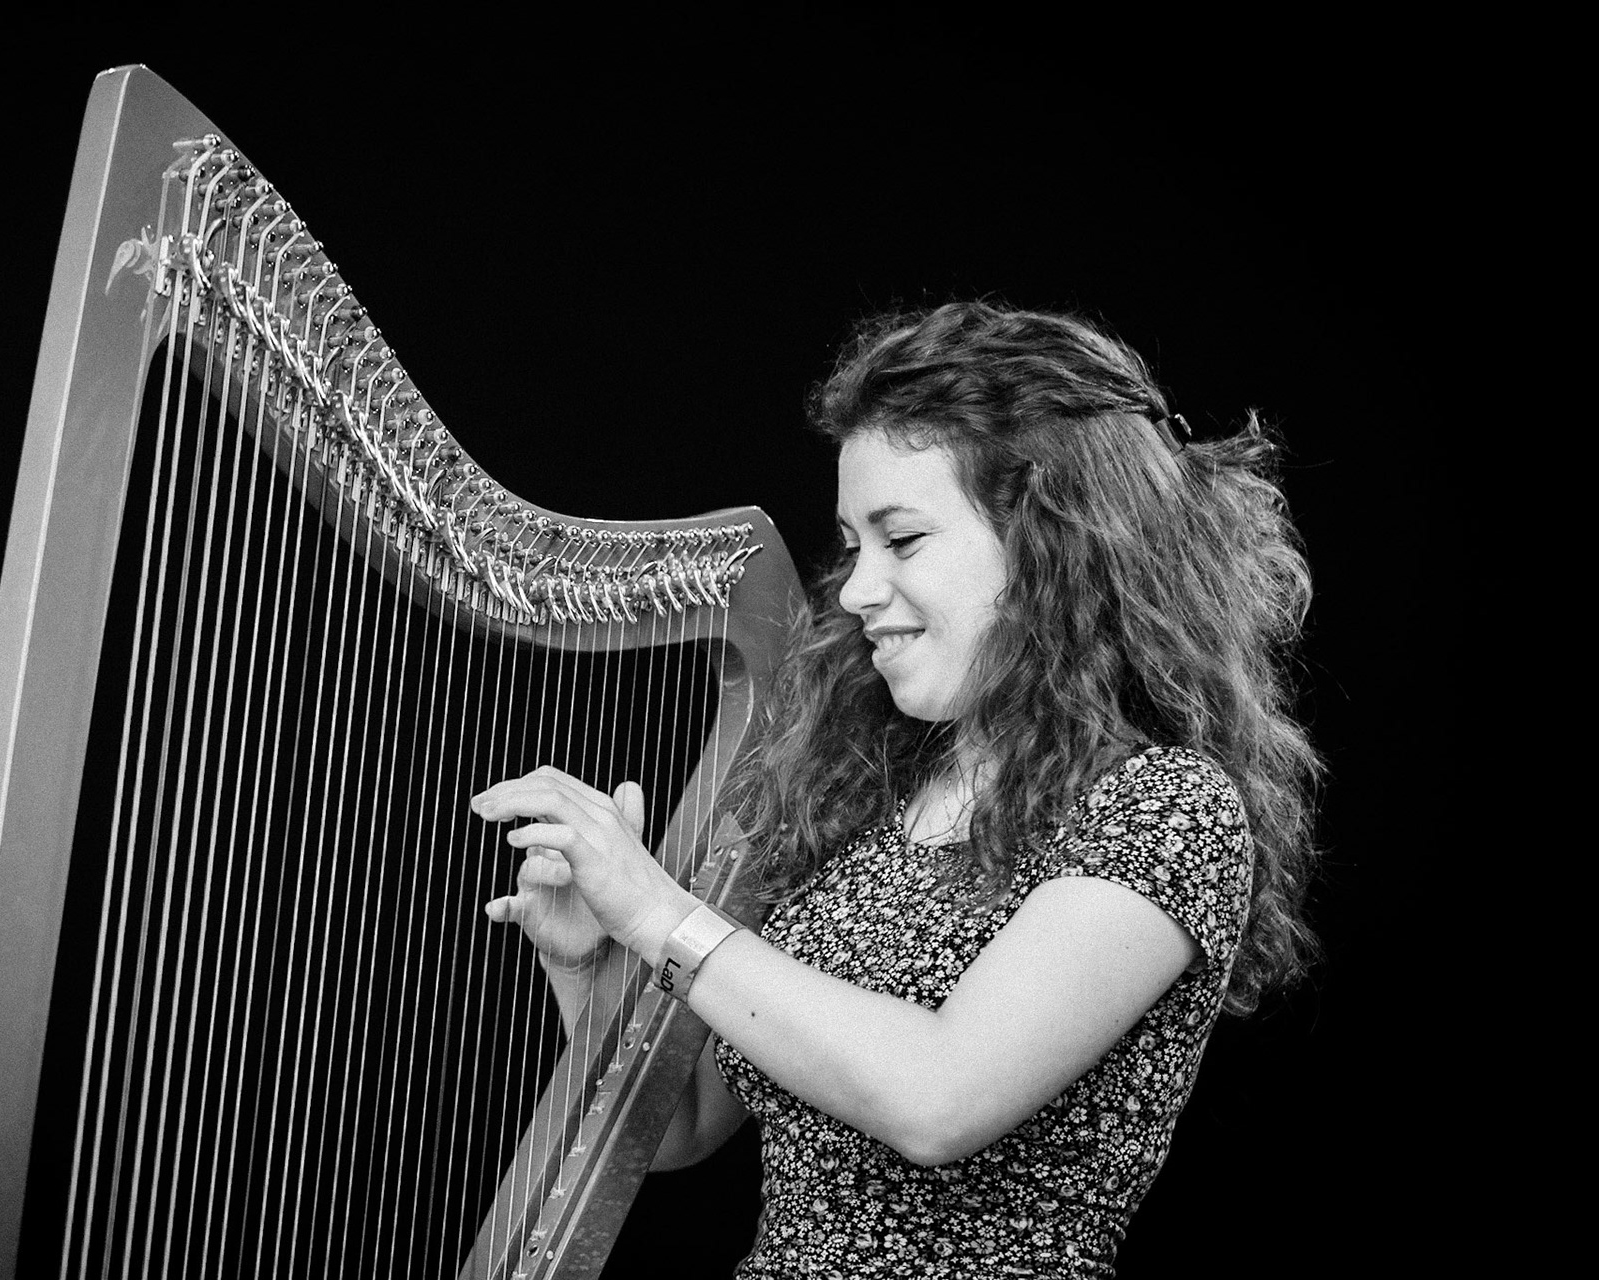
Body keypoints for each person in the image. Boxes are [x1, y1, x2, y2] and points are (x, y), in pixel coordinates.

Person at [472, 300, 1319, 1278]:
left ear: (1056, 544)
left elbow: (937, 1096)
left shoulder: (1166, 809)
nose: (857, 588)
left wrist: (658, 910)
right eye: (853, 542)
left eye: (903, 539)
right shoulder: (871, 796)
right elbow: (680, 1125)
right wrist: (590, 961)